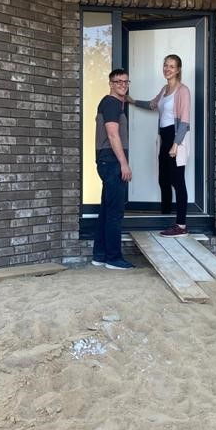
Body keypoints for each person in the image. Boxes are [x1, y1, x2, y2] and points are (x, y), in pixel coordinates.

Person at [131, 54, 191, 237]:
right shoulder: (165, 89)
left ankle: (181, 226)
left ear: (178, 70)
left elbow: (185, 121)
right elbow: (152, 105)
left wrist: (176, 144)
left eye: (172, 66)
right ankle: (166, 216)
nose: (167, 69)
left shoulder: (183, 91)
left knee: (178, 181)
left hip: (176, 137)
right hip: (164, 137)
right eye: (165, 65)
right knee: (163, 179)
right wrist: (132, 101)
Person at [92, 68, 135, 270]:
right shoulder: (111, 103)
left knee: (106, 211)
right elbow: (112, 134)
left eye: (126, 82)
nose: (122, 85)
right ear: (110, 84)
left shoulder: (115, 103)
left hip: (107, 161)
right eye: (118, 82)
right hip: (112, 162)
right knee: (115, 213)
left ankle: (100, 255)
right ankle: (113, 258)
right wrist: (124, 163)